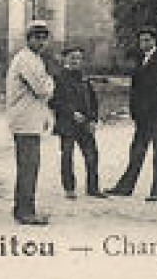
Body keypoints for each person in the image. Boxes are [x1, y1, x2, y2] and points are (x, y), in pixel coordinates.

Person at [110, 27, 157, 201]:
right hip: (142, 115)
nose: (143, 43)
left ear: (154, 41)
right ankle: (126, 187)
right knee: (136, 150)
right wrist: (135, 109)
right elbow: (135, 88)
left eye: (147, 40)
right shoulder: (140, 59)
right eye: (141, 40)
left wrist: (151, 106)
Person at [6, 21, 57, 224]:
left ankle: (22, 208)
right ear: (28, 39)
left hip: (30, 118)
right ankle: (26, 212)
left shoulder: (34, 59)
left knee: (28, 165)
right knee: (29, 165)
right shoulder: (26, 60)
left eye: (44, 37)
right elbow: (43, 90)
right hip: (24, 120)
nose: (41, 42)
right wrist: (52, 80)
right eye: (36, 37)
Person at [52, 44, 104, 200]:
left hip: (85, 123)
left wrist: (93, 119)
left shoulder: (84, 78)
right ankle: (69, 188)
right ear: (64, 59)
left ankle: (93, 188)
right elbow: (55, 101)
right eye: (72, 58)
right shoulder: (58, 78)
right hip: (67, 124)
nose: (76, 61)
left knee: (91, 155)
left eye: (79, 58)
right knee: (67, 155)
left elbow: (93, 101)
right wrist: (71, 113)